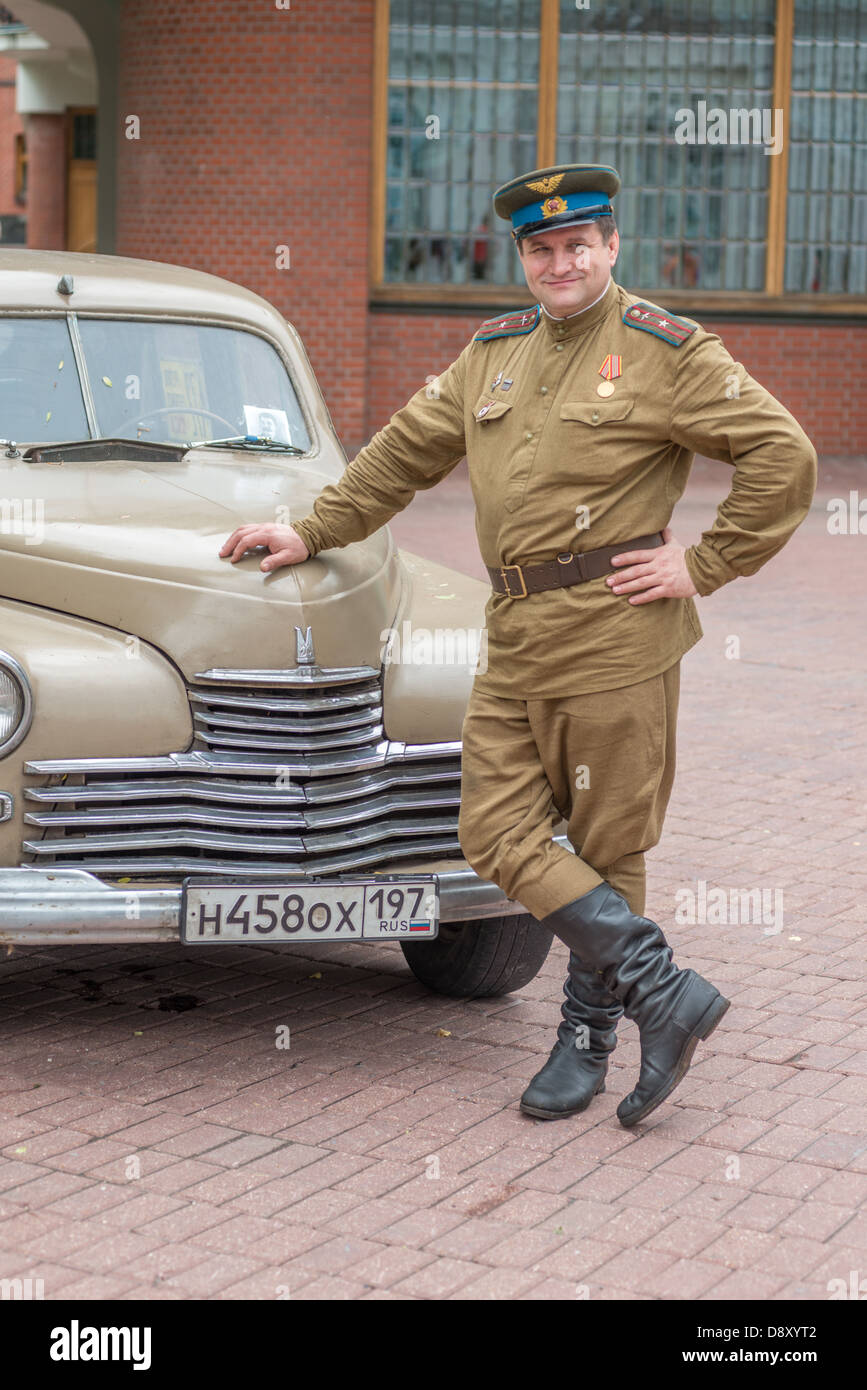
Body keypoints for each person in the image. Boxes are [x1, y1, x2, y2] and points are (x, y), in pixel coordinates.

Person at [220, 164, 817, 1129]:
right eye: (540, 249)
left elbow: (781, 454)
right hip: (517, 634)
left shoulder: (664, 349)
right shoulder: (491, 352)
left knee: (608, 845)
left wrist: (703, 565)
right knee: (492, 830)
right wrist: (312, 530)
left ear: (610, 247)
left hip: (616, 633)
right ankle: (664, 994)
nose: (559, 261)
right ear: (523, 259)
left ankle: (586, 1040)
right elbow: (403, 453)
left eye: (577, 244)